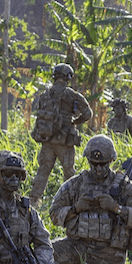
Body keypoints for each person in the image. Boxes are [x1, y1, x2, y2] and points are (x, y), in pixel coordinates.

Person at [49, 135, 132, 264]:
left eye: (103, 164)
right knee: (44, 255)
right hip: (79, 246)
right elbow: (54, 214)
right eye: (94, 164)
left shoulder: (124, 187)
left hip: (110, 254)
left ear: (111, 161)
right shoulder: (76, 184)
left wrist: (116, 208)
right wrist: (76, 208)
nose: (99, 169)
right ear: (88, 161)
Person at [29, 63, 93, 207]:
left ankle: (33, 201)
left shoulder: (46, 94)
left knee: (43, 171)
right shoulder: (72, 95)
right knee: (69, 172)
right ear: (68, 77)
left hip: (47, 139)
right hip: (65, 141)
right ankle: (69, 202)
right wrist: (75, 121)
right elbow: (88, 114)